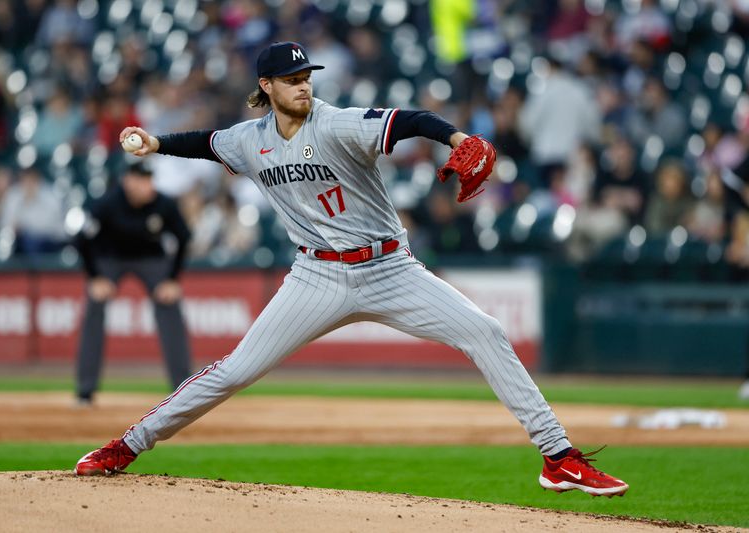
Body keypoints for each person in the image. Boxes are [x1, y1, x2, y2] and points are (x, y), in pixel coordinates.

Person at [74, 42, 629, 497]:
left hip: (390, 268)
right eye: (291, 78)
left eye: (306, 75)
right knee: (236, 371)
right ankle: (129, 443)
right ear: (266, 87)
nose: (303, 84)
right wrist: (156, 144)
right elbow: (208, 143)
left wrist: (457, 139)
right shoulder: (250, 140)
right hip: (316, 277)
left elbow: (408, 120)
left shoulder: (337, 124)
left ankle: (558, 458)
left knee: (485, 331)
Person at [74, 161, 193, 405]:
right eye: (142, 180)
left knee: (170, 304)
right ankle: (85, 390)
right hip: (110, 258)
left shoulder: (163, 204)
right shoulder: (107, 203)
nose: (148, 185)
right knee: (94, 306)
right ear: (127, 181)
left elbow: (183, 238)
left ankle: (183, 390)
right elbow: (82, 240)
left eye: (150, 179)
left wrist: (172, 279)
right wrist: (95, 277)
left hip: (152, 258)